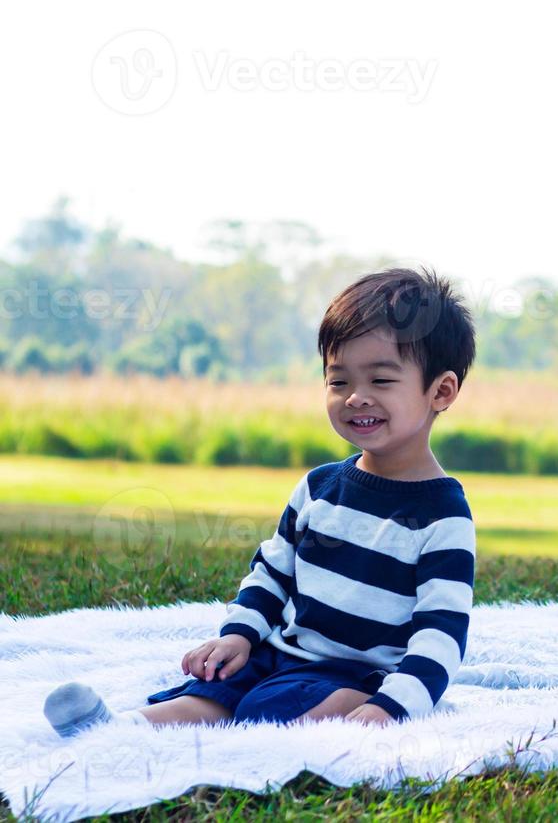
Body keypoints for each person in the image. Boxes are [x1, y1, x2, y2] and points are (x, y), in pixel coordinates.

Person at [44, 266, 478, 736]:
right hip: (281, 652)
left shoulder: (442, 516)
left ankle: (330, 723)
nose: (355, 398)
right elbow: (273, 571)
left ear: (441, 391)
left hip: (357, 676)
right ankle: (113, 729)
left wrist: (392, 707)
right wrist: (239, 634)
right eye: (338, 382)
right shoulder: (319, 486)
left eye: (381, 381)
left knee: (277, 711)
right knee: (216, 690)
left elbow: (441, 634)